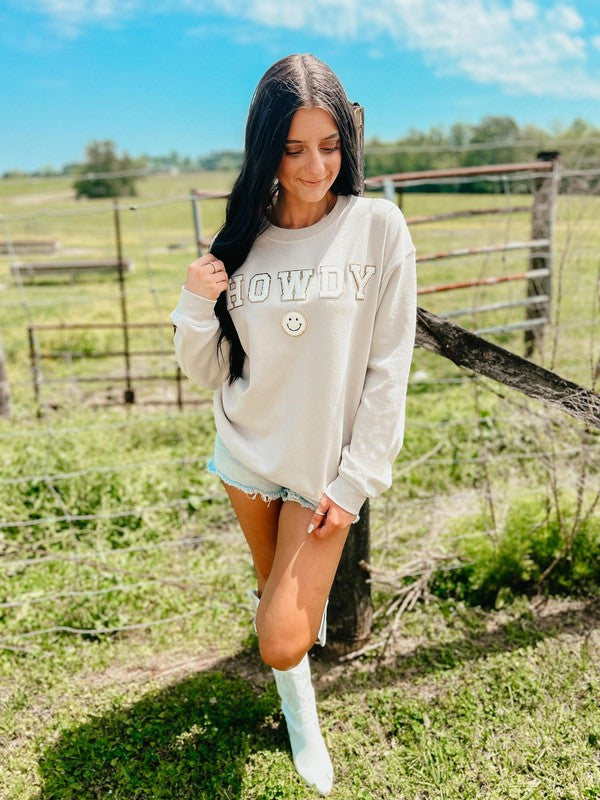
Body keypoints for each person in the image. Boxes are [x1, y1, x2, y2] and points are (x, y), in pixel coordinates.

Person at [171, 53, 416, 796]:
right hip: (246, 455)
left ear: (348, 142)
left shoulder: (377, 228)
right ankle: (300, 714)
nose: (316, 167)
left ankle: (294, 679)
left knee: (281, 637)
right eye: (294, 148)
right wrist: (194, 303)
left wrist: (355, 481)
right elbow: (212, 370)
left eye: (330, 146)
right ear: (266, 150)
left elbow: (389, 368)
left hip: (322, 475)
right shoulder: (241, 242)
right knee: (270, 587)